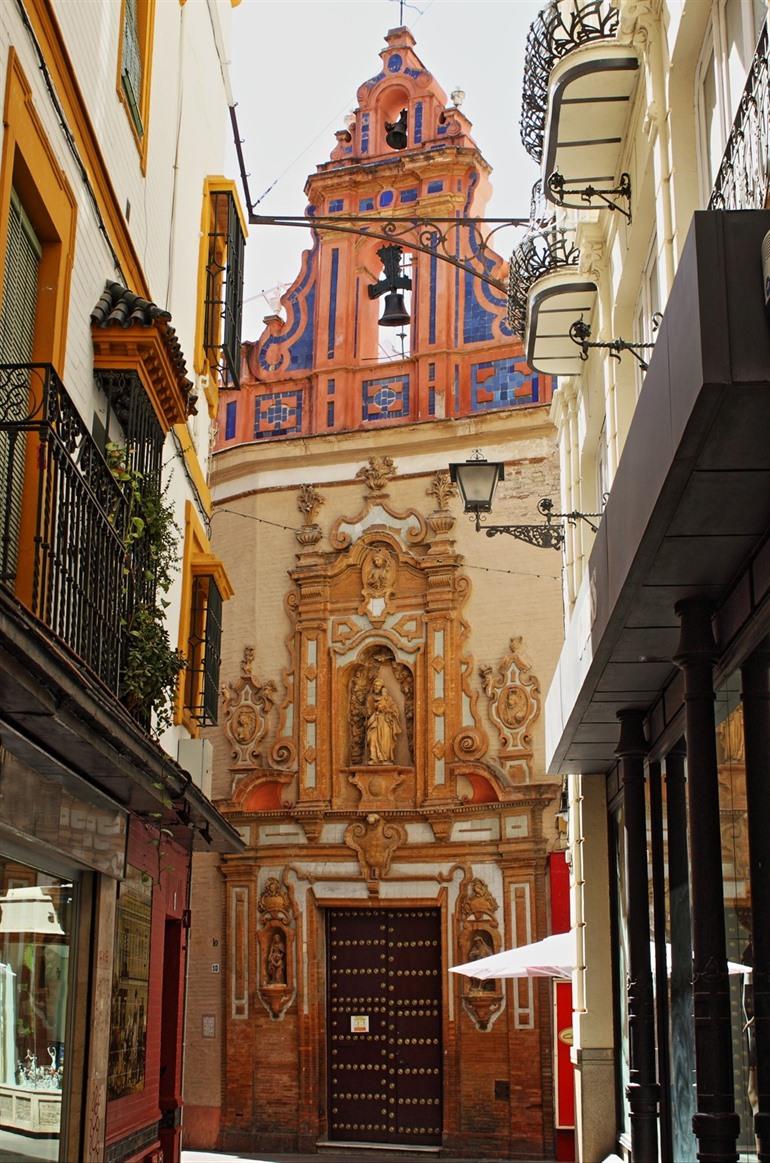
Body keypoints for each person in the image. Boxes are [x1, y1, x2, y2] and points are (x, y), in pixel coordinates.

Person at [366, 679, 401, 764]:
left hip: (385, 722)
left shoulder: (388, 699)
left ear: (382, 687)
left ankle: (385, 758)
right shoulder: (370, 698)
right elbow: (367, 712)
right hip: (374, 721)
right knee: (372, 737)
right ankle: (374, 757)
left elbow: (395, 711)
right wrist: (374, 709)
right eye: (375, 685)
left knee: (385, 739)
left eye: (378, 685)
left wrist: (386, 709)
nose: (376, 687)